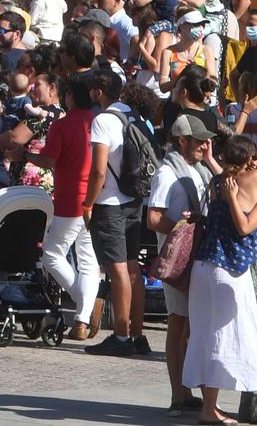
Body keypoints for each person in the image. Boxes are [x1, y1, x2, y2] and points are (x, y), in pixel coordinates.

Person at [184, 136, 257, 424]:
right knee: (228, 336)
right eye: (254, 158)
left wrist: (210, 159)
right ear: (248, 159)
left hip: (203, 266)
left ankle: (210, 406)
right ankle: (209, 410)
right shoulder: (255, 179)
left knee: (205, 335)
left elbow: (224, 174)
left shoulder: (218, 181)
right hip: (230, 271)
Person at [85, 74, 159, 357]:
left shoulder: (103, 121)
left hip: (110, 202)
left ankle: (120, 336)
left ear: (100, 91)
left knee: (117, 270)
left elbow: (99, 170)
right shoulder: (135, 116)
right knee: (131, 268)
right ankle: (137, 334)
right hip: (134, 199)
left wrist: (88, 203)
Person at [147, 115, 216, 414]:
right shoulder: (166, 173)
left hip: (195, 256)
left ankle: (186, 391)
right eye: (199, 140)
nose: (205, 144)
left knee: (189, 325)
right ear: (181, 141)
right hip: (178, 259)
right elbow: (153, 218)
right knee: (178, 323)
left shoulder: (198, 169)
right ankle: (179, 394)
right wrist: (182, 225)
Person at [34, 73, 102, 342]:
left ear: (70, 97)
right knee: (88, 260)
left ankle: (83, 304)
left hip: (70, 199)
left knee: (52, 255)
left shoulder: (62, 126)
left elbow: (49, 161)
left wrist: (27, 156)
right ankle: (83, 318)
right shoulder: (97, 123)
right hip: (93, 199)